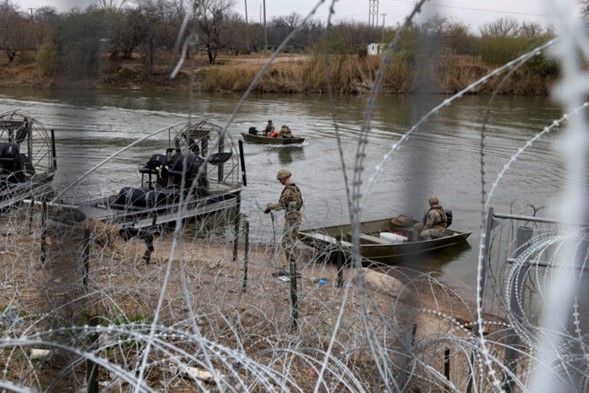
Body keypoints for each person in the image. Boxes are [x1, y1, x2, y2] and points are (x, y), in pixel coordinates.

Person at [264, 168, 303, 267]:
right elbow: (299, 203)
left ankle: (292, 265)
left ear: (284, 178)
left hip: (291, 219)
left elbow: (280, 205)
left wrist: (270, 206)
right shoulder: (295, 188)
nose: (279, 181)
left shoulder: (288, 191)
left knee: (286, 242)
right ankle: (295, 263)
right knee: (292, 240)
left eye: (280, 179)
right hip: (296, 217)